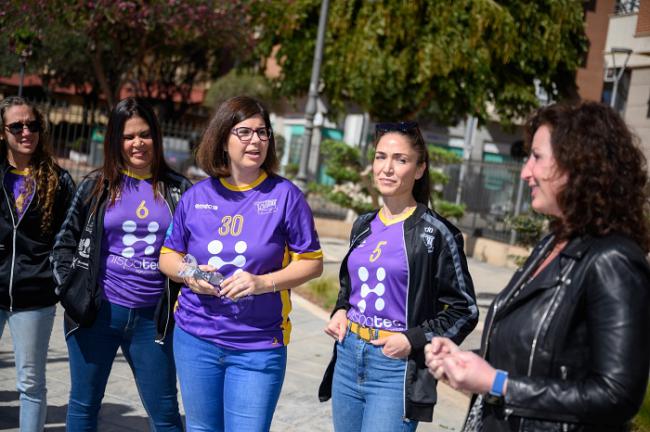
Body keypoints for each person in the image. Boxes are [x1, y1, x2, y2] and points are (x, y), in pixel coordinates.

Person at [425, 102, 650, 432]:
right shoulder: (552, 242)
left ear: (579, 165)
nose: (525, 171)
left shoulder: (613, 260)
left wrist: (498, 383)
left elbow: (617, 395)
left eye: (537, 157)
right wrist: (465, 362)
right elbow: (531, 357)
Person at [158, 95, 323, 432]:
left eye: (263, 133)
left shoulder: (285, 196)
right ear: (223, 139)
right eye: (244, 132)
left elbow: (312, 263)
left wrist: (262, 283)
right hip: (195, 339)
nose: (256, 141)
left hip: (258, 346)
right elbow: (167, 256)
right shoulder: (196, 196)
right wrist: (191, 275)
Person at [318, 121, 479, 431]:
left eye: (400, 160)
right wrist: (340, 309)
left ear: (419, 169)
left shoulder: (437, 233)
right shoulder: (363, 224)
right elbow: (349, 285)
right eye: (380, 157)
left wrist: (412, 339)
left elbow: (465, 310)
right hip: (348, 356)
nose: (387, 168)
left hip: (395, 368)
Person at [51, 97, 191, 431]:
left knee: (166, 414)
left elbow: (193, 250)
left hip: (152, 321)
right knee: (84, 407)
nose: (137, 143)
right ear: (116, 140)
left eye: (144, 134)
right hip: (97, 315)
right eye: (128, 136)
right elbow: (63, 246)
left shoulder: (179, 190)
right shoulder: (96, 185)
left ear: (156, 136)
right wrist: (70, 293)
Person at [0, 96, 75, 432]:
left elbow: (69, 238)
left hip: (35, 294)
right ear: (3, 132)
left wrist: (55, 277)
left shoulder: (58, 180)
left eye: (32, 125)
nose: (26, 131)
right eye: (17, 126)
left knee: (30, 382)